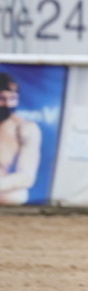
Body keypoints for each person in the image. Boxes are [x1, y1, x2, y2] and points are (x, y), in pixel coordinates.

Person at [0, 73, 42, 205]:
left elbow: (26, 177)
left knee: (18, 195)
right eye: (1, 98)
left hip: (6, 195)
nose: (8, 104)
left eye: (12, 98)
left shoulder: (25, 128)